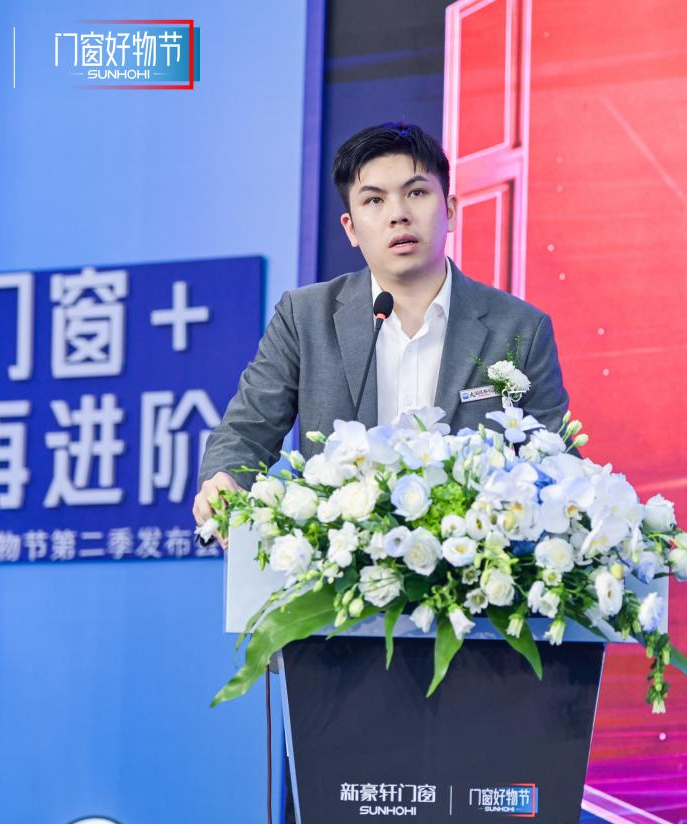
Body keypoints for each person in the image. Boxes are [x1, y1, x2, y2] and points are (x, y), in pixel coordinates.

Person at [192, 121, 569, 536]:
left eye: (416, 193)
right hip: (339, 556)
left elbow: (554, 462)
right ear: (351, 229)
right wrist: (225, 479)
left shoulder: (519, 328)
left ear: (449, 211)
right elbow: (246, 431)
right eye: (374, 200)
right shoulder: (305, 318)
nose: (398, 214)